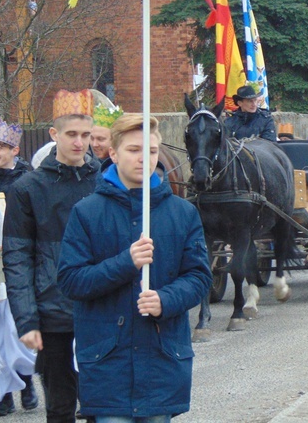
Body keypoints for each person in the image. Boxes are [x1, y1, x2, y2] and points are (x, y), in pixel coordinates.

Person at [57, 113, 212, 421]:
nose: (144, 158)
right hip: (108, 365)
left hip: (161, 360)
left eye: (151, 151)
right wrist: (125, 263)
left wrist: (166, 300)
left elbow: (199, 277)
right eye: (133, 150)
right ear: (112, 153)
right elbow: (71, 280)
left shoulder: (182, 213)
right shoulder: (86, 213)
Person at [3, 89, 100, 422]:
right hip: (53, 314)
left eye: (86, 135)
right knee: (60, 407)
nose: (79, 142)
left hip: (101, 310)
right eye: (71, 134)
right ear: (54, 134)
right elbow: (17, 258)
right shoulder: (28, 189)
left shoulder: (104, 183)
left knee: (102, 405)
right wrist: (27, 319)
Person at [0, 120, 38, 417]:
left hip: (20, 261)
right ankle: (4, 394)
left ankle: (26, 382)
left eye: (0, 147)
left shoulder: (28, 180)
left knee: (18, 328)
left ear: (15, 150)